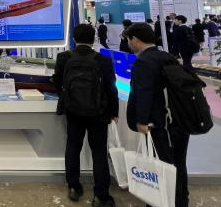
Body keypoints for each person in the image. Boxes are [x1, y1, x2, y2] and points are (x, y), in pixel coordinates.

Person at [52, 24, 119, 207]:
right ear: (93, 39)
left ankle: (74, 187)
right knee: (99, 151)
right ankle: (101, 196)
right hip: (99, 112)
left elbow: (56, 80)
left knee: (73, 146)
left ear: (74, 39)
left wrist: (65, 98)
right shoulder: (103, 60)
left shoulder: (64, 57)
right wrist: (113, 111)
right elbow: (111, 88)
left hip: (73, 110)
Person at [125, 23, 190, 207]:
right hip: (179, 119)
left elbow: (144, 93)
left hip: (160, 123)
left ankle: (168, 201)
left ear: (135, 40)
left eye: (129, 40)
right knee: (178, 163)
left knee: (164, 165)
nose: (129, 43)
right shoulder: (168, 57)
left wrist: (142, 121)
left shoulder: (143, 62)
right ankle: (181, 199)